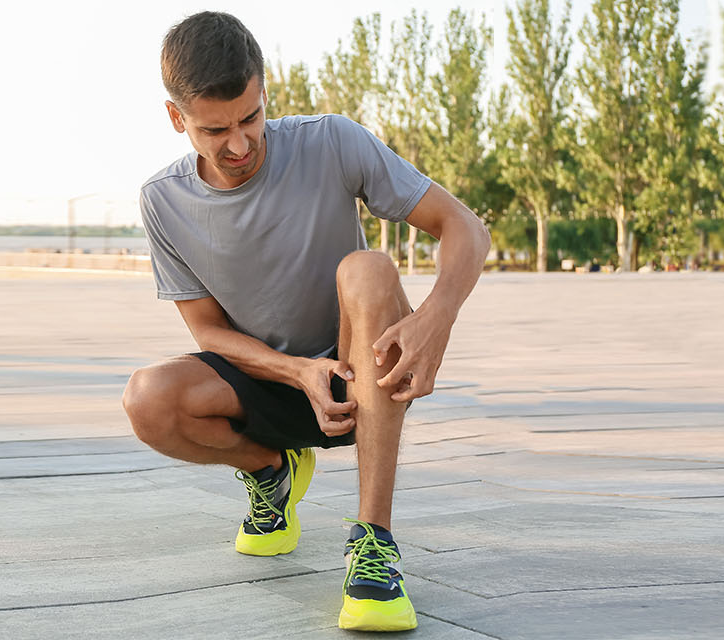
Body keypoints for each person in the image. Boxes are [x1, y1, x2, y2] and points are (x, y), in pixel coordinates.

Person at [121, 11, 490, 632]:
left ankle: (373, 545)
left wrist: (435, 319)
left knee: (368, 268)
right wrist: (297, 373)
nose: (239, 145)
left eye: (250, 118)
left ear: (264, 90)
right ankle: (271, 470)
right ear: (176, 118)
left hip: (360, 368)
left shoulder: (332, 141)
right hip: (270, 378)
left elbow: (466, 228)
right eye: (215, 130)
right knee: (147, 399)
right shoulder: (164, 199)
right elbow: (208, 333)